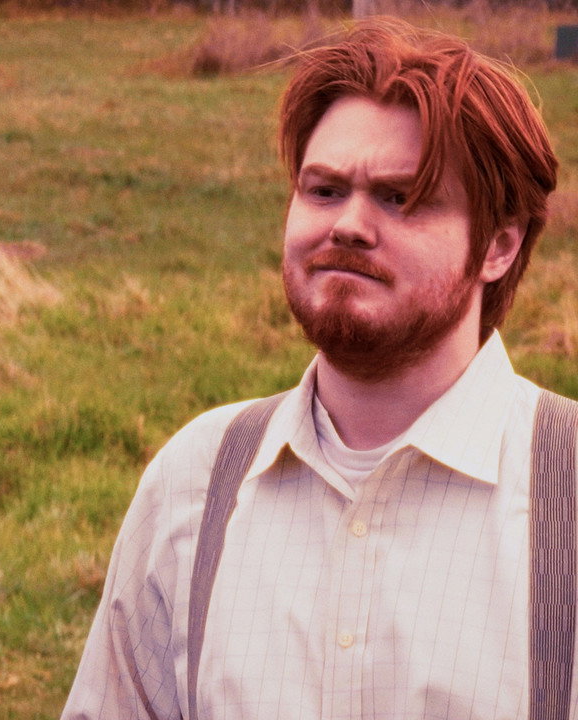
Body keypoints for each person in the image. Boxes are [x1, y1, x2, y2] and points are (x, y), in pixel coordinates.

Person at [62, 18, 561, 720]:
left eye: (400, 198)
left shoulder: (565, 495)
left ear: (498, 248)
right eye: (324, 190)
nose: (348, 224)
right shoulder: (193, 483)